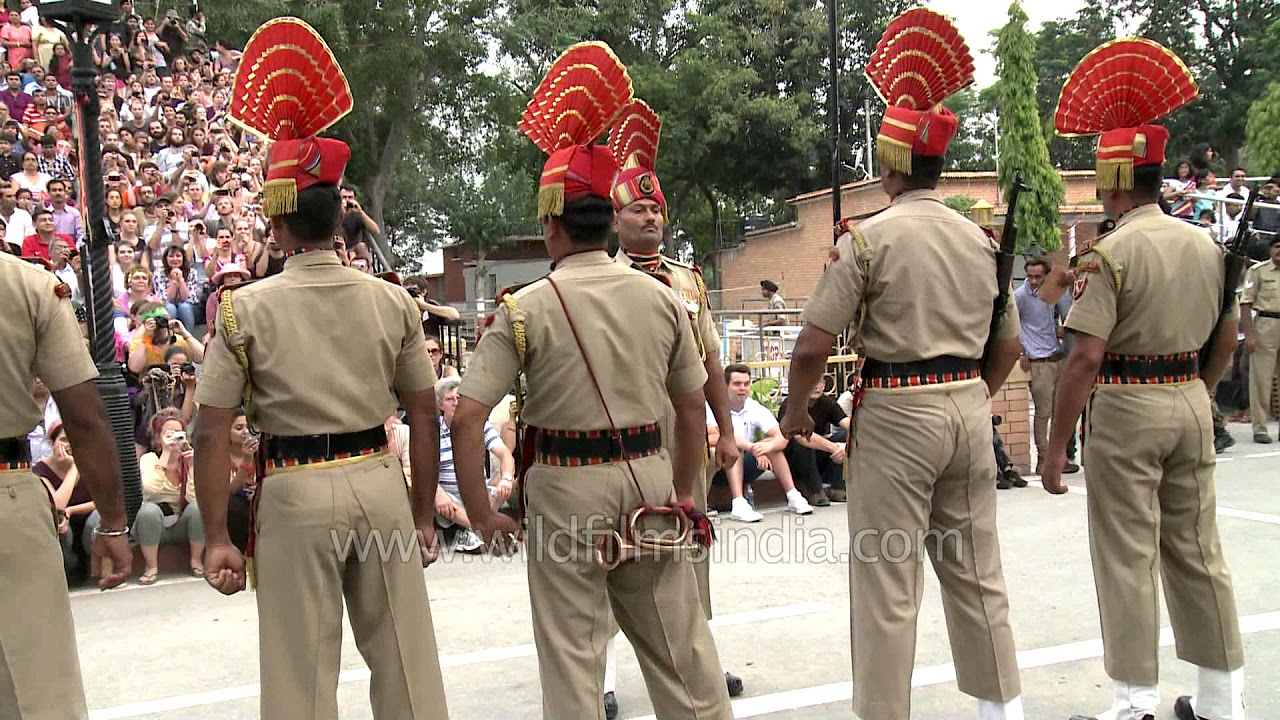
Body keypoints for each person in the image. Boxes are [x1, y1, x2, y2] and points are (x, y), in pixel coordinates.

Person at [449, 42, 733, 720]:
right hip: (649, 479)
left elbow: (466, 416)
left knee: (574, 665)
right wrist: (681, 493)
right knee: (683, 659)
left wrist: (484, 513)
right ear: (611, 220)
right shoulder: (666, 296)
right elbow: (692, 409)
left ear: (549, 223)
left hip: (566, 490)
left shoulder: (524, 308)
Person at [191, 18, 450, 720]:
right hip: (376, 478)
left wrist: (216, 534)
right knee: (408, 670)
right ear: (341, 216)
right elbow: (423, 413)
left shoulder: (245, 309)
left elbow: (212, 432)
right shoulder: (392, 299)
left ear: (277, 224)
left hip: (295, 493)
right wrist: (424, 514)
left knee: (301, 681)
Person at [779, 10, 1025, 719]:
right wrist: (975, 394)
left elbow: (811, 345)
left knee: (888, 580)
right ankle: (1001, 711)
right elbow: (1006, 345)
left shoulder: (868, 239)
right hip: (966, 405)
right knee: (978, 570)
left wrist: (797, 411)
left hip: (897, 407)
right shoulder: (980, 241)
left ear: (888, 165)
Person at [1043, 39, 1245, 720]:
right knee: (1198, 551)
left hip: (1128, 404)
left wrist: (1054, 443)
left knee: (1128, 553)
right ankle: (1222, 700)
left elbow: (1085, 357)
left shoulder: (1111, 252)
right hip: (1189, 395)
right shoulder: (1208, 245)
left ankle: (1133, 702)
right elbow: (1226, 336)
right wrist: (1201, 391)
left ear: (1117, 176)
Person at [603, 98, 744, 717]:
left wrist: (728, 430)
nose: (652, 217)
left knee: (689, 540)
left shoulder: (687, 282)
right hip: (623, 431)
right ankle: (604, 676)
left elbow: (711, 362)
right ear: (614, 218)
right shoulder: (598, 277)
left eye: (657, 207)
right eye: (639, 207)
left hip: (682, 430)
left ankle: (699, 658)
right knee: (617, 545)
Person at [0, 252, 132, 718]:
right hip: (7, 491)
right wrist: (113, 525)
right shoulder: (29, 285)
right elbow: (84, 417)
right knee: (41, 691)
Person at [1014, 256, 1080, 474]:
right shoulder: (1021, 296)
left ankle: (1058, 456)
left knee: (1059, 411)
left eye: (1038, 277)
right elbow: (1012, 324)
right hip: (1038, 361)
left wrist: (1058, 331)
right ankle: (1043, 457)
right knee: (1043, 413)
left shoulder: (1052, 293)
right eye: (1029, 276)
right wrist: (1022, 351)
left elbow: (1062, 317)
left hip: (1057, 356)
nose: (1033, 281)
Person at [1240, 235, 1280, 443]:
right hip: (1266, 324)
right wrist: (1249, 335)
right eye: (1276, 247)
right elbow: (1245, 303)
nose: (1279, 251)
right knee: (1261, 380)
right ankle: (1260, 428)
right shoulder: (1258, 271)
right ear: (1271, 249)